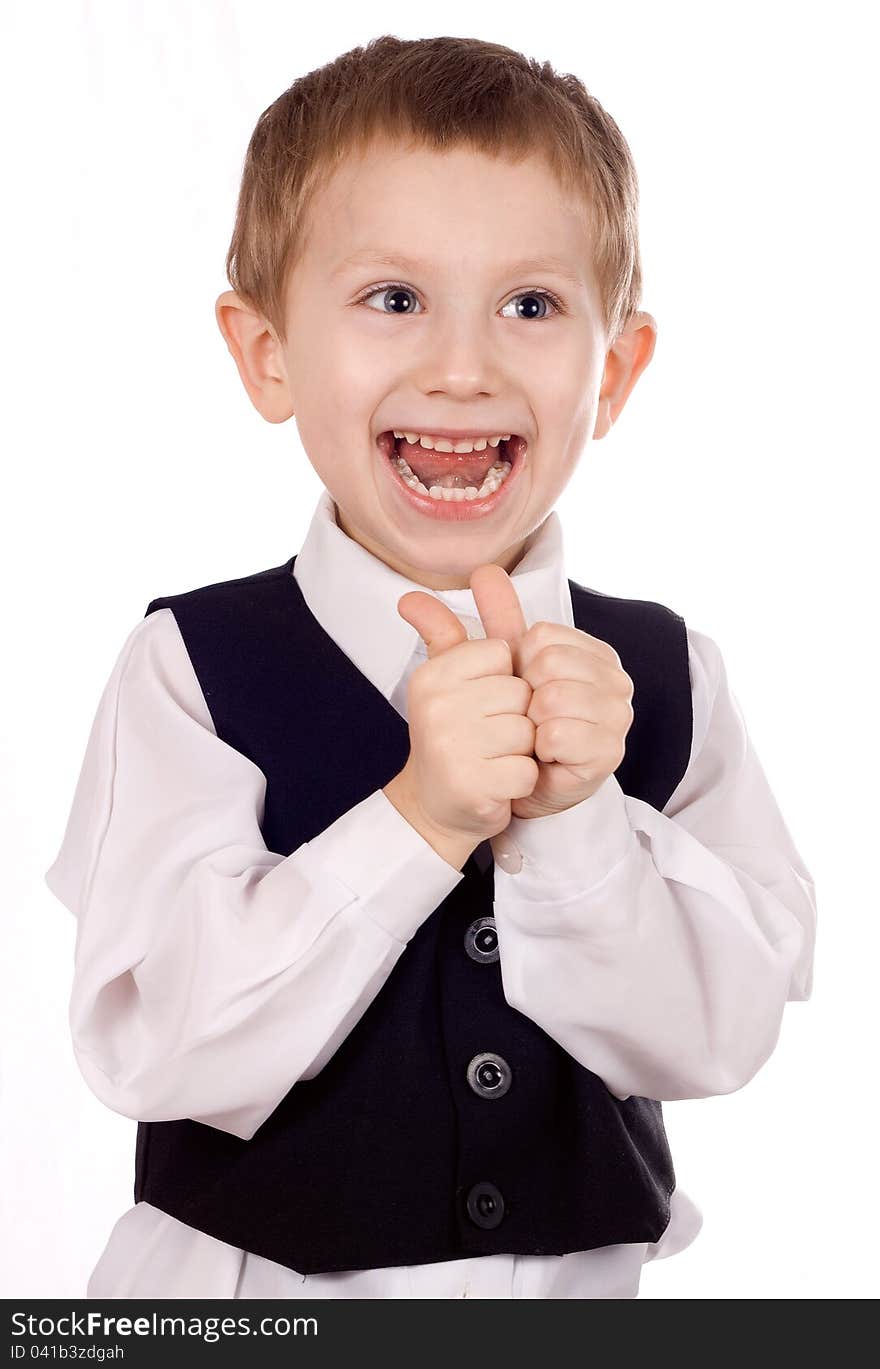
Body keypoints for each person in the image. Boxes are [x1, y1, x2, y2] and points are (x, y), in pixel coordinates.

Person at [44, 34, 816, 1299]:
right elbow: (156, 1042)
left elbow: (714, 1034)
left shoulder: (672, 679)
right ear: (267, 353)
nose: (463, 368)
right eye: (393, 299)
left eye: (530, 304)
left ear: (612, 372)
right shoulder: (189, 668)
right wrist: (419, 818)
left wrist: (577, 822)